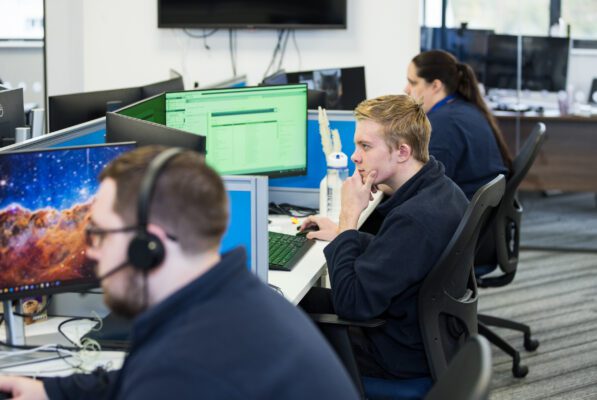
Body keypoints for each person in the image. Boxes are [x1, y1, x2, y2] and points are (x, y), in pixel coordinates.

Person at [0, 146, 360, 400]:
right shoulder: (229, 298)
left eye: (99, 234)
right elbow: (137, 374)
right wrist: (49, 391)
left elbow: (165, 375)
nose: (91, 251)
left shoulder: (187, 367)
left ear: (149, 246)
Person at [298, 95, 469, 380]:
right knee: (298, 301)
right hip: (423, 334)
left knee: (279, 320)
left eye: (365, 146)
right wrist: (343, 234)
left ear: (402, 152)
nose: (355, 156)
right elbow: (399, 255)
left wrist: (349, 218)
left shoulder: (414, 219)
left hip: (393, 352)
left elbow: (352, 304)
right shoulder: (443, 190)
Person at [405, 49, 511, 199]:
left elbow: (422, 188)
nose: (406, 89)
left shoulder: (444, 124)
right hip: (478, 206)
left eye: (412, 83)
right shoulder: (461, 108)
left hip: (461, 209)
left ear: (435, 85)